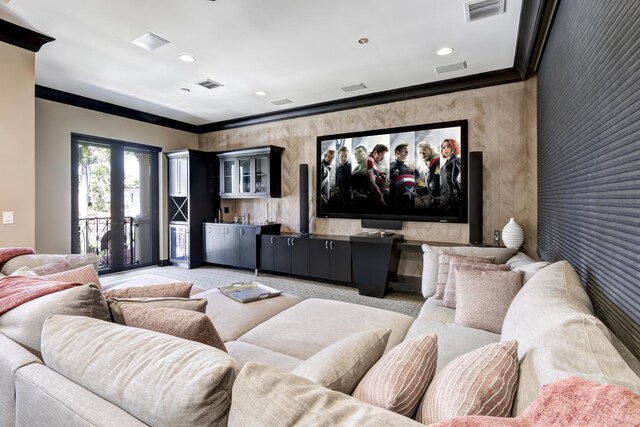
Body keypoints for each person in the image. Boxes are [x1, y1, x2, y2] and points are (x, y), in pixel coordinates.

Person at [389, 143, 417, 208]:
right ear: (397, 153)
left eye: (407, 151)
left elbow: (416, 177)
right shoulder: (390, 166)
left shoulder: (407, 167)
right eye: (405, 151)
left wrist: (414, 170)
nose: (407, 153)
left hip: (406, 193)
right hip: (394, 195)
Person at [439, 138, 462, 213]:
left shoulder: (457, 160)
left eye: (448, 146)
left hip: (453, 195)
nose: (445, 149)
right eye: (443, 147)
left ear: (454, 148)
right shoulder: (446, 163)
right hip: (445, 194)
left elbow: (467, 174)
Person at [416, 141, 440, 208]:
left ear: (431, 150)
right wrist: (423, 190)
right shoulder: (429, 163)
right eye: (420, 153)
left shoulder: (437, 162)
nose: (422, 154)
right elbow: (434, 184)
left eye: (424, 151)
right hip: (432, 202)